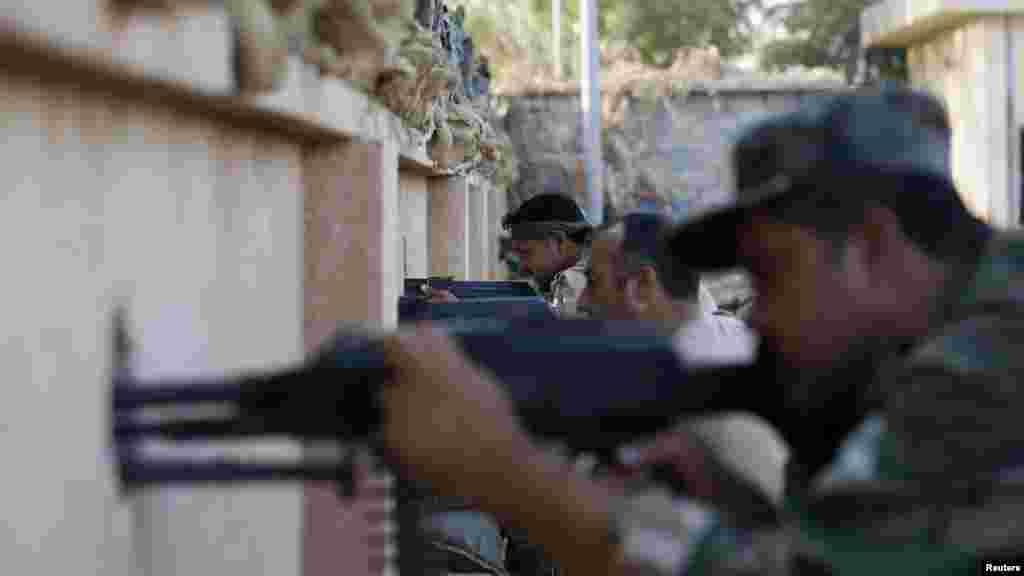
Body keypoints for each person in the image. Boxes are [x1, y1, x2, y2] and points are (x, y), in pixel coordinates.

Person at [375, 87, 1024, 574]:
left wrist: (506, 473)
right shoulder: (932, 343)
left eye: (772, 273)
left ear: (873, 245)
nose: (758, 314)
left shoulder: (990, 361)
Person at [578, 212, 789, 512]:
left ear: (641, 287)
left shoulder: (701, 393)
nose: (582, 301)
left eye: (594, 282)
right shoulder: (712, 352)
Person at [430, 193, 592, 318]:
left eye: (526, 253)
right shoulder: (571, 275)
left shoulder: (575, 281)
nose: (522, 265)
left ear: (558, 241)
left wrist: (462, 311)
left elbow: (545, 330)